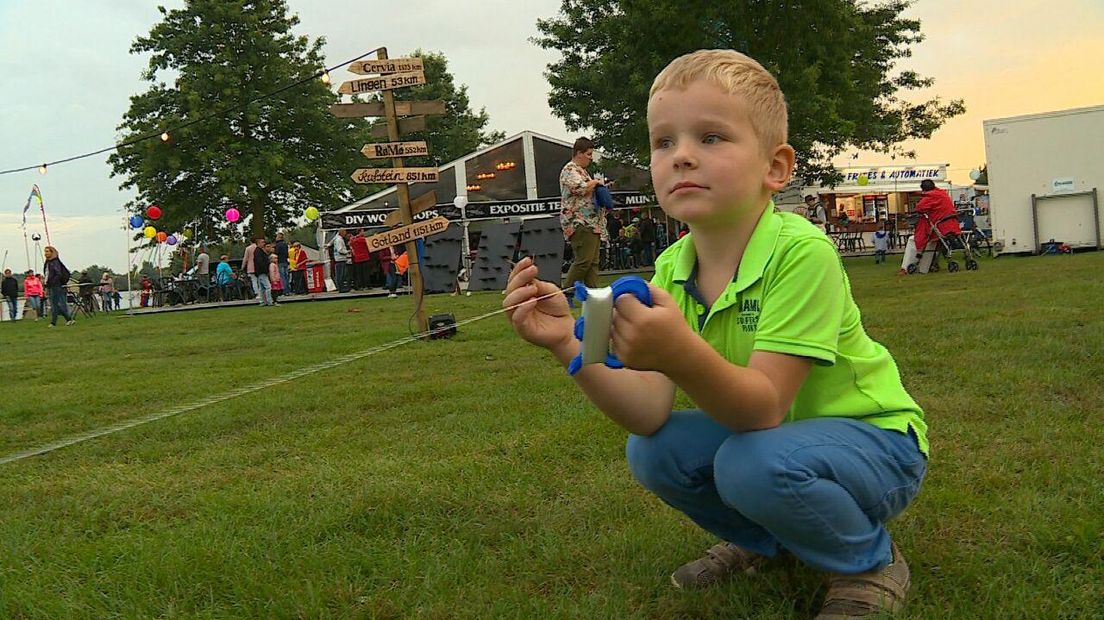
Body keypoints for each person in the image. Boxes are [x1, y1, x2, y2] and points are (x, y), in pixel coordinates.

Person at [502, 49, 926, 619]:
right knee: (654, 452)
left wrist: (681, 353)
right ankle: (768, 543)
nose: (681, 157)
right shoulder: (674, 268)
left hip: (875, 444)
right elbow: (648, 413)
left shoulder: (801, 252)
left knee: (749, 463)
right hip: (774, 447)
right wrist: (567, 344)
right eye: (663, 142)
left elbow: (763, 409)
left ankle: (868, 561)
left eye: (711, 138)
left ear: (775, 168)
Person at [560, 137, 606, 288]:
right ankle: (565, 292)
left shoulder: (583, 172)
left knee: (593, 262)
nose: (591, 158)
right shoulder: (570, 170)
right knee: (584, 261)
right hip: (579, 222)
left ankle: (594, 296)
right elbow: (580, 188)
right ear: (579, 153)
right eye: (588, 154)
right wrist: (596, 183)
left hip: (592, 223)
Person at [43, 246, 75, 326]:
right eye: (45, 251)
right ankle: (68, 319)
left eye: (47, 251)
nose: (45, 253)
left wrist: (52, 281)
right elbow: (47, 274)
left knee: (55, 304)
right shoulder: (48, 262)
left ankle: (54, 322)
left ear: (52, 252)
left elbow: (58, 274)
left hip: (56, 286)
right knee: (54, 304)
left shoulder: (55, 262)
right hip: (50, 285)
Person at [250, 237, 273, 306]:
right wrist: (265, 270)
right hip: (262, 272)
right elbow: (260, 262)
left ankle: (263, 301)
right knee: (268, 287)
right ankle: (269, 301)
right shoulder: (258, 252)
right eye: (262, 242)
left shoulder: (259, 251)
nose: (264, 243)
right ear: (258, 243)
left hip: (260, 272)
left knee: (262, 288)